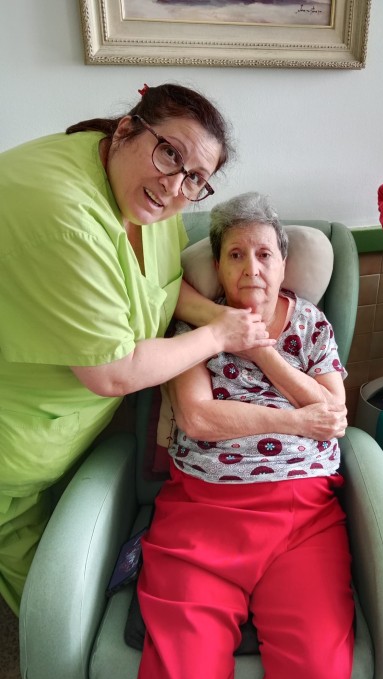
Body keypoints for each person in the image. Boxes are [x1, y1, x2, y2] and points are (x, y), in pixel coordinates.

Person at [0, 84, 273, 616]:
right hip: (16, 434)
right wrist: (218, 336)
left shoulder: (138, 191)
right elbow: (113, 372)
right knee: (53, 603)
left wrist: (216, 315)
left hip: (56, 433)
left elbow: (159, 285)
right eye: (169, 153)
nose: (174, 185)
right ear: (126, 128)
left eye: (195, 178)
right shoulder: (67, 221)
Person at [137, 192, 355, 679]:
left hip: (303, 516)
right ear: (217, 266)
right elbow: (197, 417)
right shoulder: (192, 328)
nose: (251, 268)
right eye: (235, 255)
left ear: (283, 264)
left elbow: (334, 413)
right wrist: (296, 421)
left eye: (264, 254)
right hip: (202, 514)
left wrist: (263, 353)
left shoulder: (311, 324)